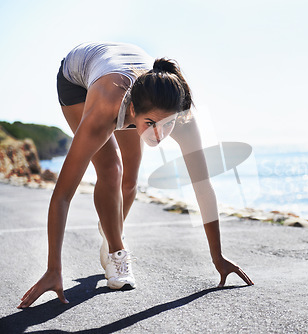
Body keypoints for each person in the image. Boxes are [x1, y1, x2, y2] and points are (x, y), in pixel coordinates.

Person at [18, 42, 253, 309]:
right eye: (150, 124)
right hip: (77, 80)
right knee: (111, 168)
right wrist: (53, 268)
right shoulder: (106, 110)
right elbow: (62, 195)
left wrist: (218, 256)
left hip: (127, 78)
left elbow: (202, 186)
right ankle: (117, 252)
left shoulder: (183, 117)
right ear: (132, 112)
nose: (158, 135)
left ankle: (109, 229)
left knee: (130, 182)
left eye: (167, 125)